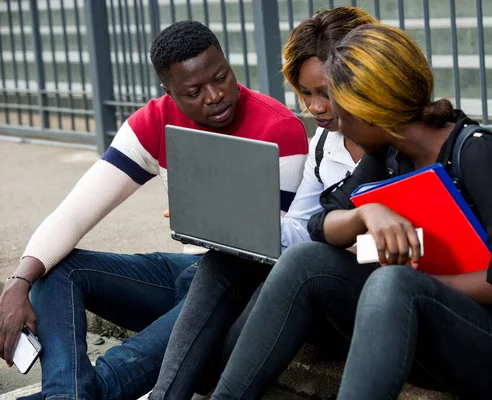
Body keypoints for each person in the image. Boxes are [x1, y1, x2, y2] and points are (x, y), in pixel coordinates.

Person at [210, 24, 492, 400]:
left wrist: (418, 284)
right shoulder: (388, 153)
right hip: (433, 332)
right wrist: (366, 214)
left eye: (342, 112)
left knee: (391, 281)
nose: (335, 124)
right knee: (304, 261)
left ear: (370, 113)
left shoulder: (478, 154)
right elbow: (318, 225)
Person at [0, 20, 308, 400]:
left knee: (113, 374)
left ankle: (67, 393)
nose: (214, 96)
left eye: (221, 77)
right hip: (185, 274)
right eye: (193, 91)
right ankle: (67, 391)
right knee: (57, 268)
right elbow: (75, 212)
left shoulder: (277, 128)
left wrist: (216, 219)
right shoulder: (154, 121)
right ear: (169, 92)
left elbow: (269, 252)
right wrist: (19, 283)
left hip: (235, 296)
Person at [148, 8, 375, 399]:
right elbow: (300, 229)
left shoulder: (401, 145)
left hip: (370, 299)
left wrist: (352, 239)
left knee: (302, 265)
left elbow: (426, 245)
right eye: (306, 93)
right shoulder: (324, 143)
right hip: (316, 294)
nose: (315, 107)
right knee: (226, 257)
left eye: (326, 92)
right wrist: (230, 216)